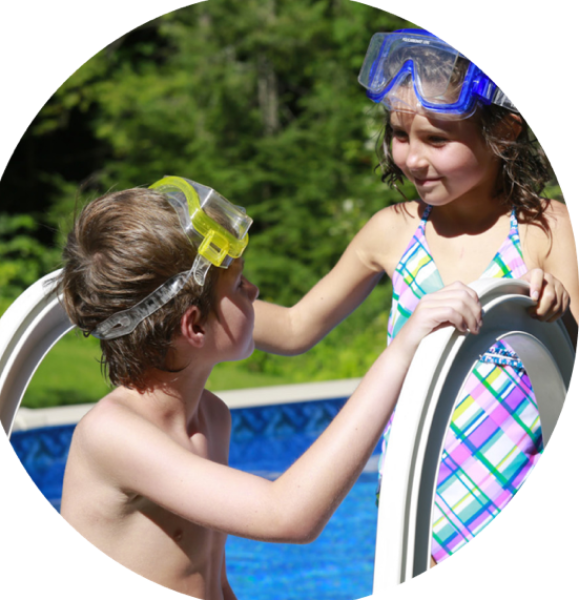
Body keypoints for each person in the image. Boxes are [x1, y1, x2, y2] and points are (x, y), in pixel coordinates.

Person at [58, 175, 482, 597]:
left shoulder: (210, 417)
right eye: (239, 284)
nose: (255, 290)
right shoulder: (112, 436)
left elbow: (213, 579)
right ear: (194, 325)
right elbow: (288, 515)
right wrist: (401, 351)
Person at [253, 30, 578, 568]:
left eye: (437, 139)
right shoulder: (394, 232)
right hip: (415, 510)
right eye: (400, 134)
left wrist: (559, 308)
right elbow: (293, 328)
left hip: (508, 490)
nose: (412, 158)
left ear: (505, 130)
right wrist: (187, 304)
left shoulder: (547, 228)